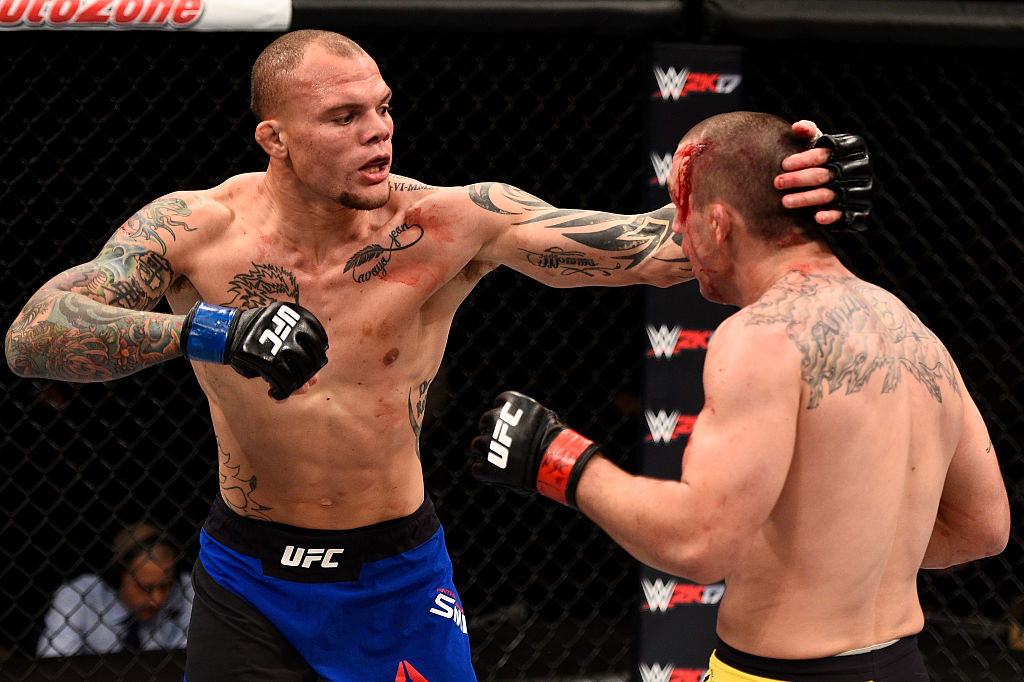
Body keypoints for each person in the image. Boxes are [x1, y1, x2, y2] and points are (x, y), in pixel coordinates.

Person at [4, 29, 870, 681]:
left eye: (382, 107)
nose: (378, 132)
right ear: (274, 139)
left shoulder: (449, 222)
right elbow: (35, 336)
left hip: (397, 576)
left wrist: (797, 196)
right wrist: (207, 329)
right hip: (248, 579)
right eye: (344, 117)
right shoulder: (195, 231)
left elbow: (658, 248)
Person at [469, 110, 1010, 681]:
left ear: (719, 224)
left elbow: (701, 542)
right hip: (901, 666)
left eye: (683, 216)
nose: (677, 234)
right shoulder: (913, 331)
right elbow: (984, 527)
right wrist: (852, 551)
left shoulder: (761, 336)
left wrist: (560, 460)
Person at [36, 522, 192, 658]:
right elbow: (53, 665)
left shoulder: (190, 592)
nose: (156, 600)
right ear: (117, 576)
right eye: (145, 587)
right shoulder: (78, 595)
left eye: (165, 586)